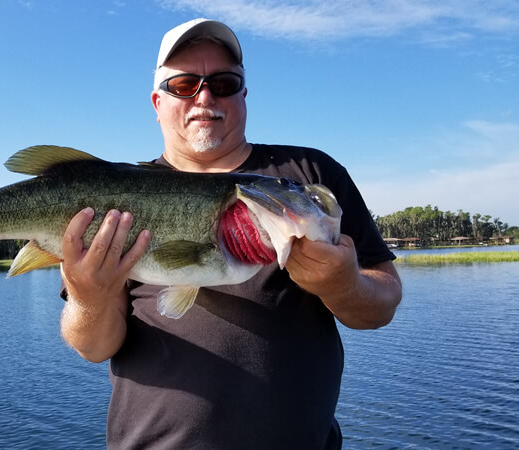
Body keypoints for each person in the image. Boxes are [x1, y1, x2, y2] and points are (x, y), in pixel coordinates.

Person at [59, 18, 402, 449]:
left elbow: (381, 306)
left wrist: (345, 285)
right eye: (183, 85)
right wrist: (87, 300)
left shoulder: (309, 177)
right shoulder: (114, 196)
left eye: (223, 83)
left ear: (244, 94)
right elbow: (93, 347)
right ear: (158, 103)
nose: (204, 97)